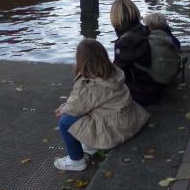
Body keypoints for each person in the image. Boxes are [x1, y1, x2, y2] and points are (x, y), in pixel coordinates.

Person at [54, 39, 149, 171]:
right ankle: (91, 146)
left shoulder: (88, 84)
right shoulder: (113, 71)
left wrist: (63, 109)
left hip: (114, 129)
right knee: (89, 110)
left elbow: (75, 108)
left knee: (65, 121)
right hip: (129, 120)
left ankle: (76, 161)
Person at [110, 0, 165, 106]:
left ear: (115, 18)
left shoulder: (125, 42)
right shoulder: (145, 30)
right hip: (157, 87)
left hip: (143, 93)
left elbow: (117, 74)